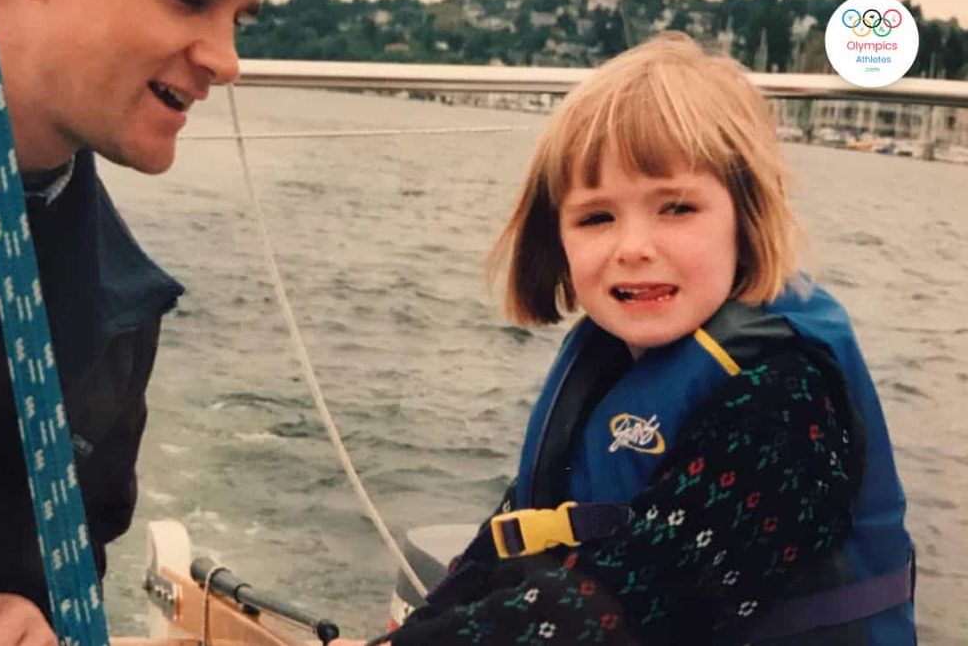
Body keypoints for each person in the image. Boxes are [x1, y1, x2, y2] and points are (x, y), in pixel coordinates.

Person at [342, 32, 916, 645]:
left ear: (745, 223)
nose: (634, 247)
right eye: (597, 217)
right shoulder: (607, 376)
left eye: (676, 208)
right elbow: (510, 541)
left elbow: (640, 596)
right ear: (556, 245)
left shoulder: (788, 397)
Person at [0, 0, 296, 644]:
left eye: (240, 21)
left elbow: (67, 555)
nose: (227, 62)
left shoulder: (121, 308)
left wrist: (23, 605)